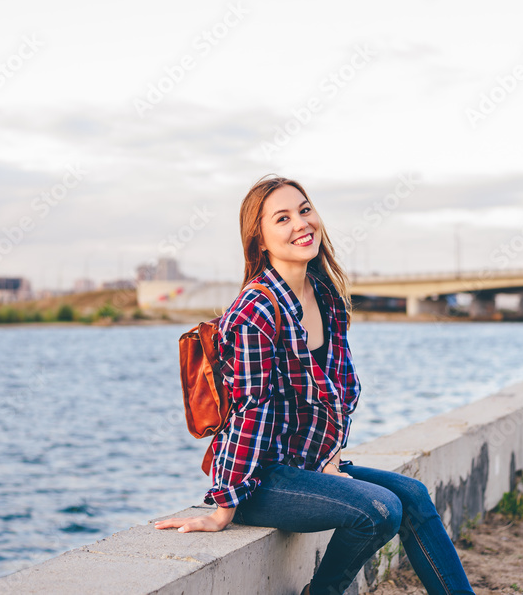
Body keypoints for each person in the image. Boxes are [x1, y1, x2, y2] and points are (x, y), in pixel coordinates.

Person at [155, 175, 476, 595]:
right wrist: (223, 504)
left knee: (412, 494)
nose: (300, 224)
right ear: (261, 239)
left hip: (309, 464)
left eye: (304, 210)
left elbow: (339, 392)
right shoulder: (256, 310)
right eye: (282, 218)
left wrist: (331, 460)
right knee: (380, 510)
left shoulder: (324, 296)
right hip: (262, 480)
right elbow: (250, 411)